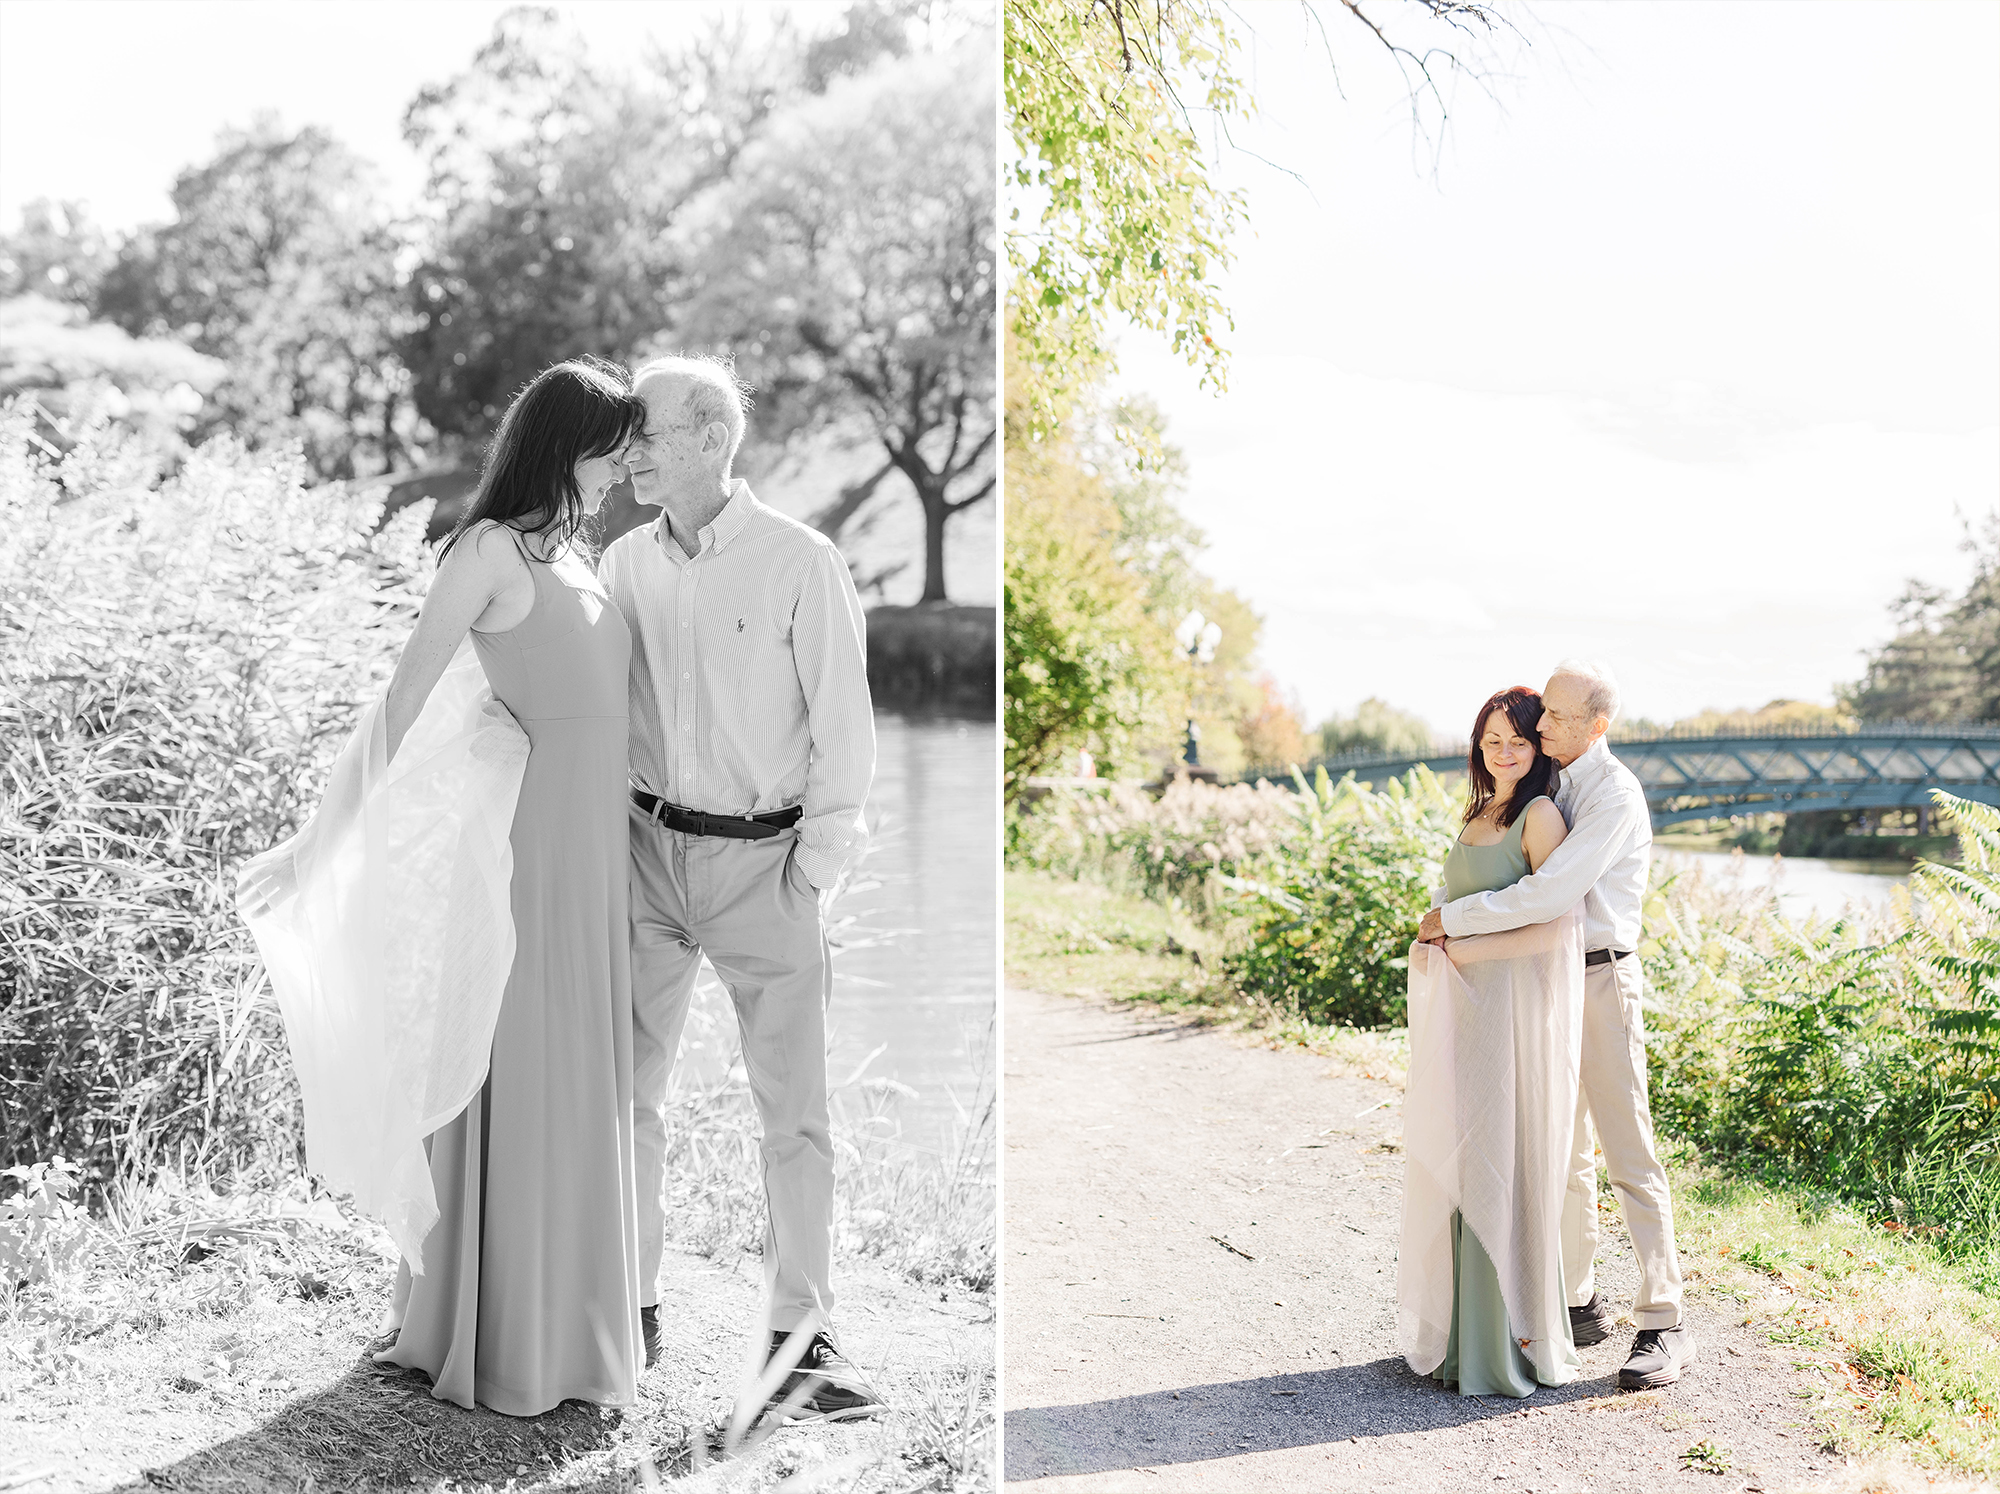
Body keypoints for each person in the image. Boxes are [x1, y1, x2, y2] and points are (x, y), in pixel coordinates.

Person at [356, 357, 648, 1414]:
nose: (621, 471)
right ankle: (496, 1327)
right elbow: (411, 684)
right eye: (612, 451)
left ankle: (570, 1320)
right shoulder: (487, 550)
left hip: (593, 838)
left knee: (577, 1066)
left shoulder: (573, 555)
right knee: (520, 1058)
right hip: (532, 844)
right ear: (566, 445)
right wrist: (343, 823)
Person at [597, 353, 882, 1422]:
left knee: (794, 1117)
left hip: (767, 866)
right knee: (625, 1097)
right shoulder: (624, 564)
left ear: (711, 439)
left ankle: (799, 1344)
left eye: (646, 435)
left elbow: (844, 734)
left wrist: (811, 871)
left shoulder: (800, 562)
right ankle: (629, 1310)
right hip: (646, 858)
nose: (628, 453)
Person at [1418, 659, 1696, 1391]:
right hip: (1542, 983)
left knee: (1628, 1149)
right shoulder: (1550, 778)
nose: (1541, 727)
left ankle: (1665, 1322)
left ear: (1596, 725)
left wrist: (1454, 923)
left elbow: (1551, 895)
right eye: (1544, 715)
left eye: (1558, 718)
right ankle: (1575, 1301)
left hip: (1601, 976)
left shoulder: (1614, 797)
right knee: (1559, 1150)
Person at [1399, 686, 1583, 1397]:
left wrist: (1453, 942)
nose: (1504, 753)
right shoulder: (1478, 811)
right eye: (1492, 741)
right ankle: (1460, 1343)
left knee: (1500, 1157)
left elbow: (1555, 927)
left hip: (1508, 1013)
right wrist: (1443, 941)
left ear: (1540, 749)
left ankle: (1507, 1348)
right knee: (1461, 1149)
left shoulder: (1539, 816)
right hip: (1462, 1011)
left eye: (1518, 741)